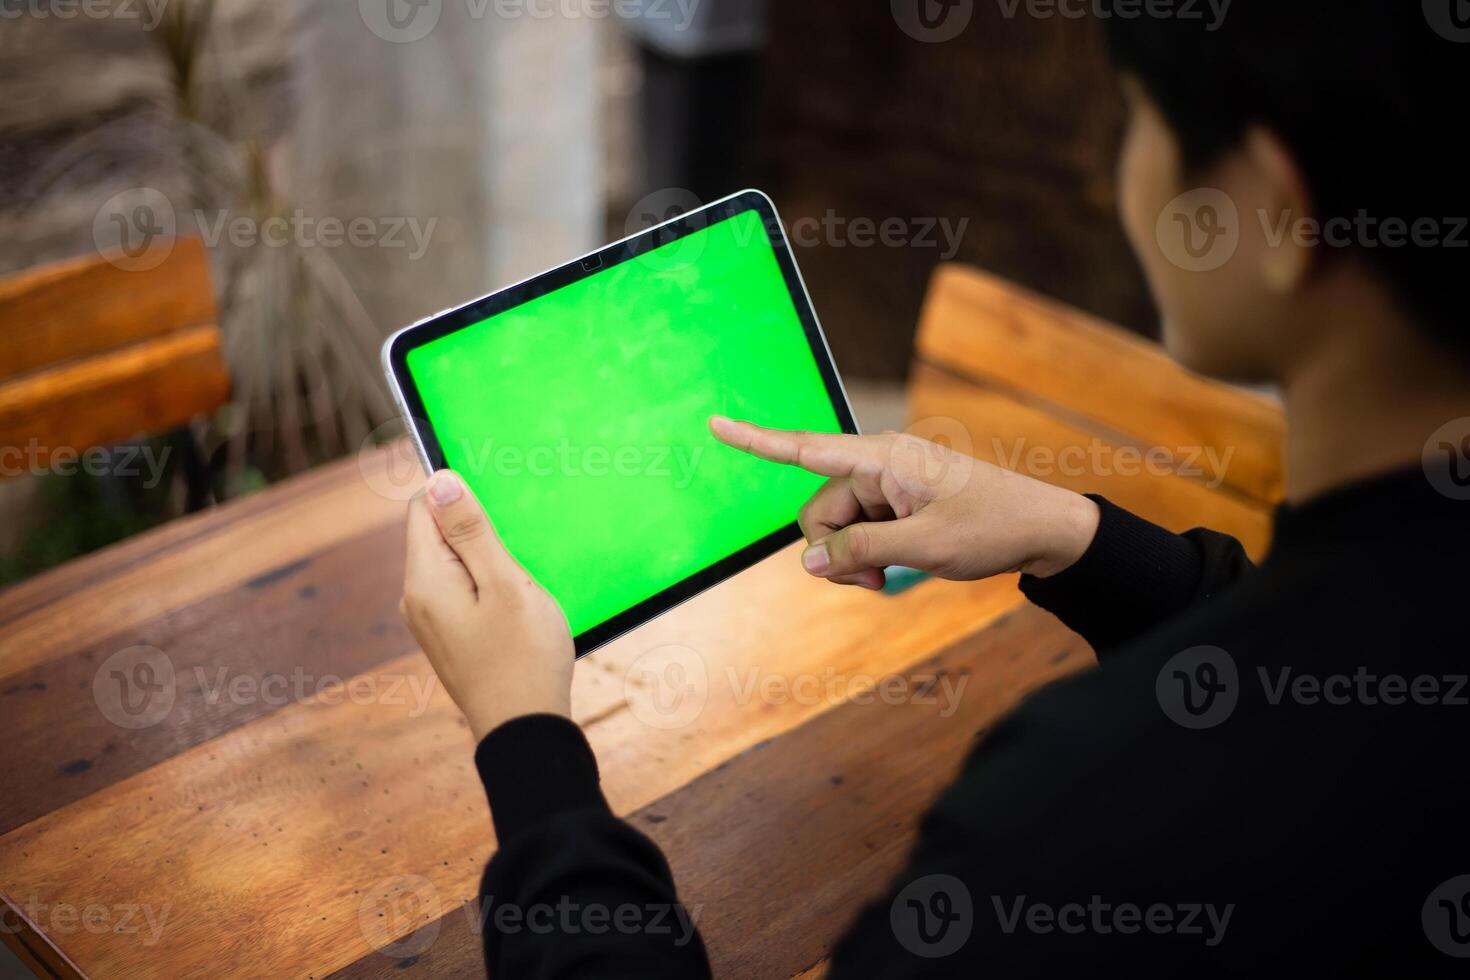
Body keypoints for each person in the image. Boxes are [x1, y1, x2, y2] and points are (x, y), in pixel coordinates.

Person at [398, 4, 1469, 975]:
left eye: (1137, 115)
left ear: (1279, 214)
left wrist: (528, 742)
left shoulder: (1067, 815)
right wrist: (1078, 537)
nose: (1121, 160)